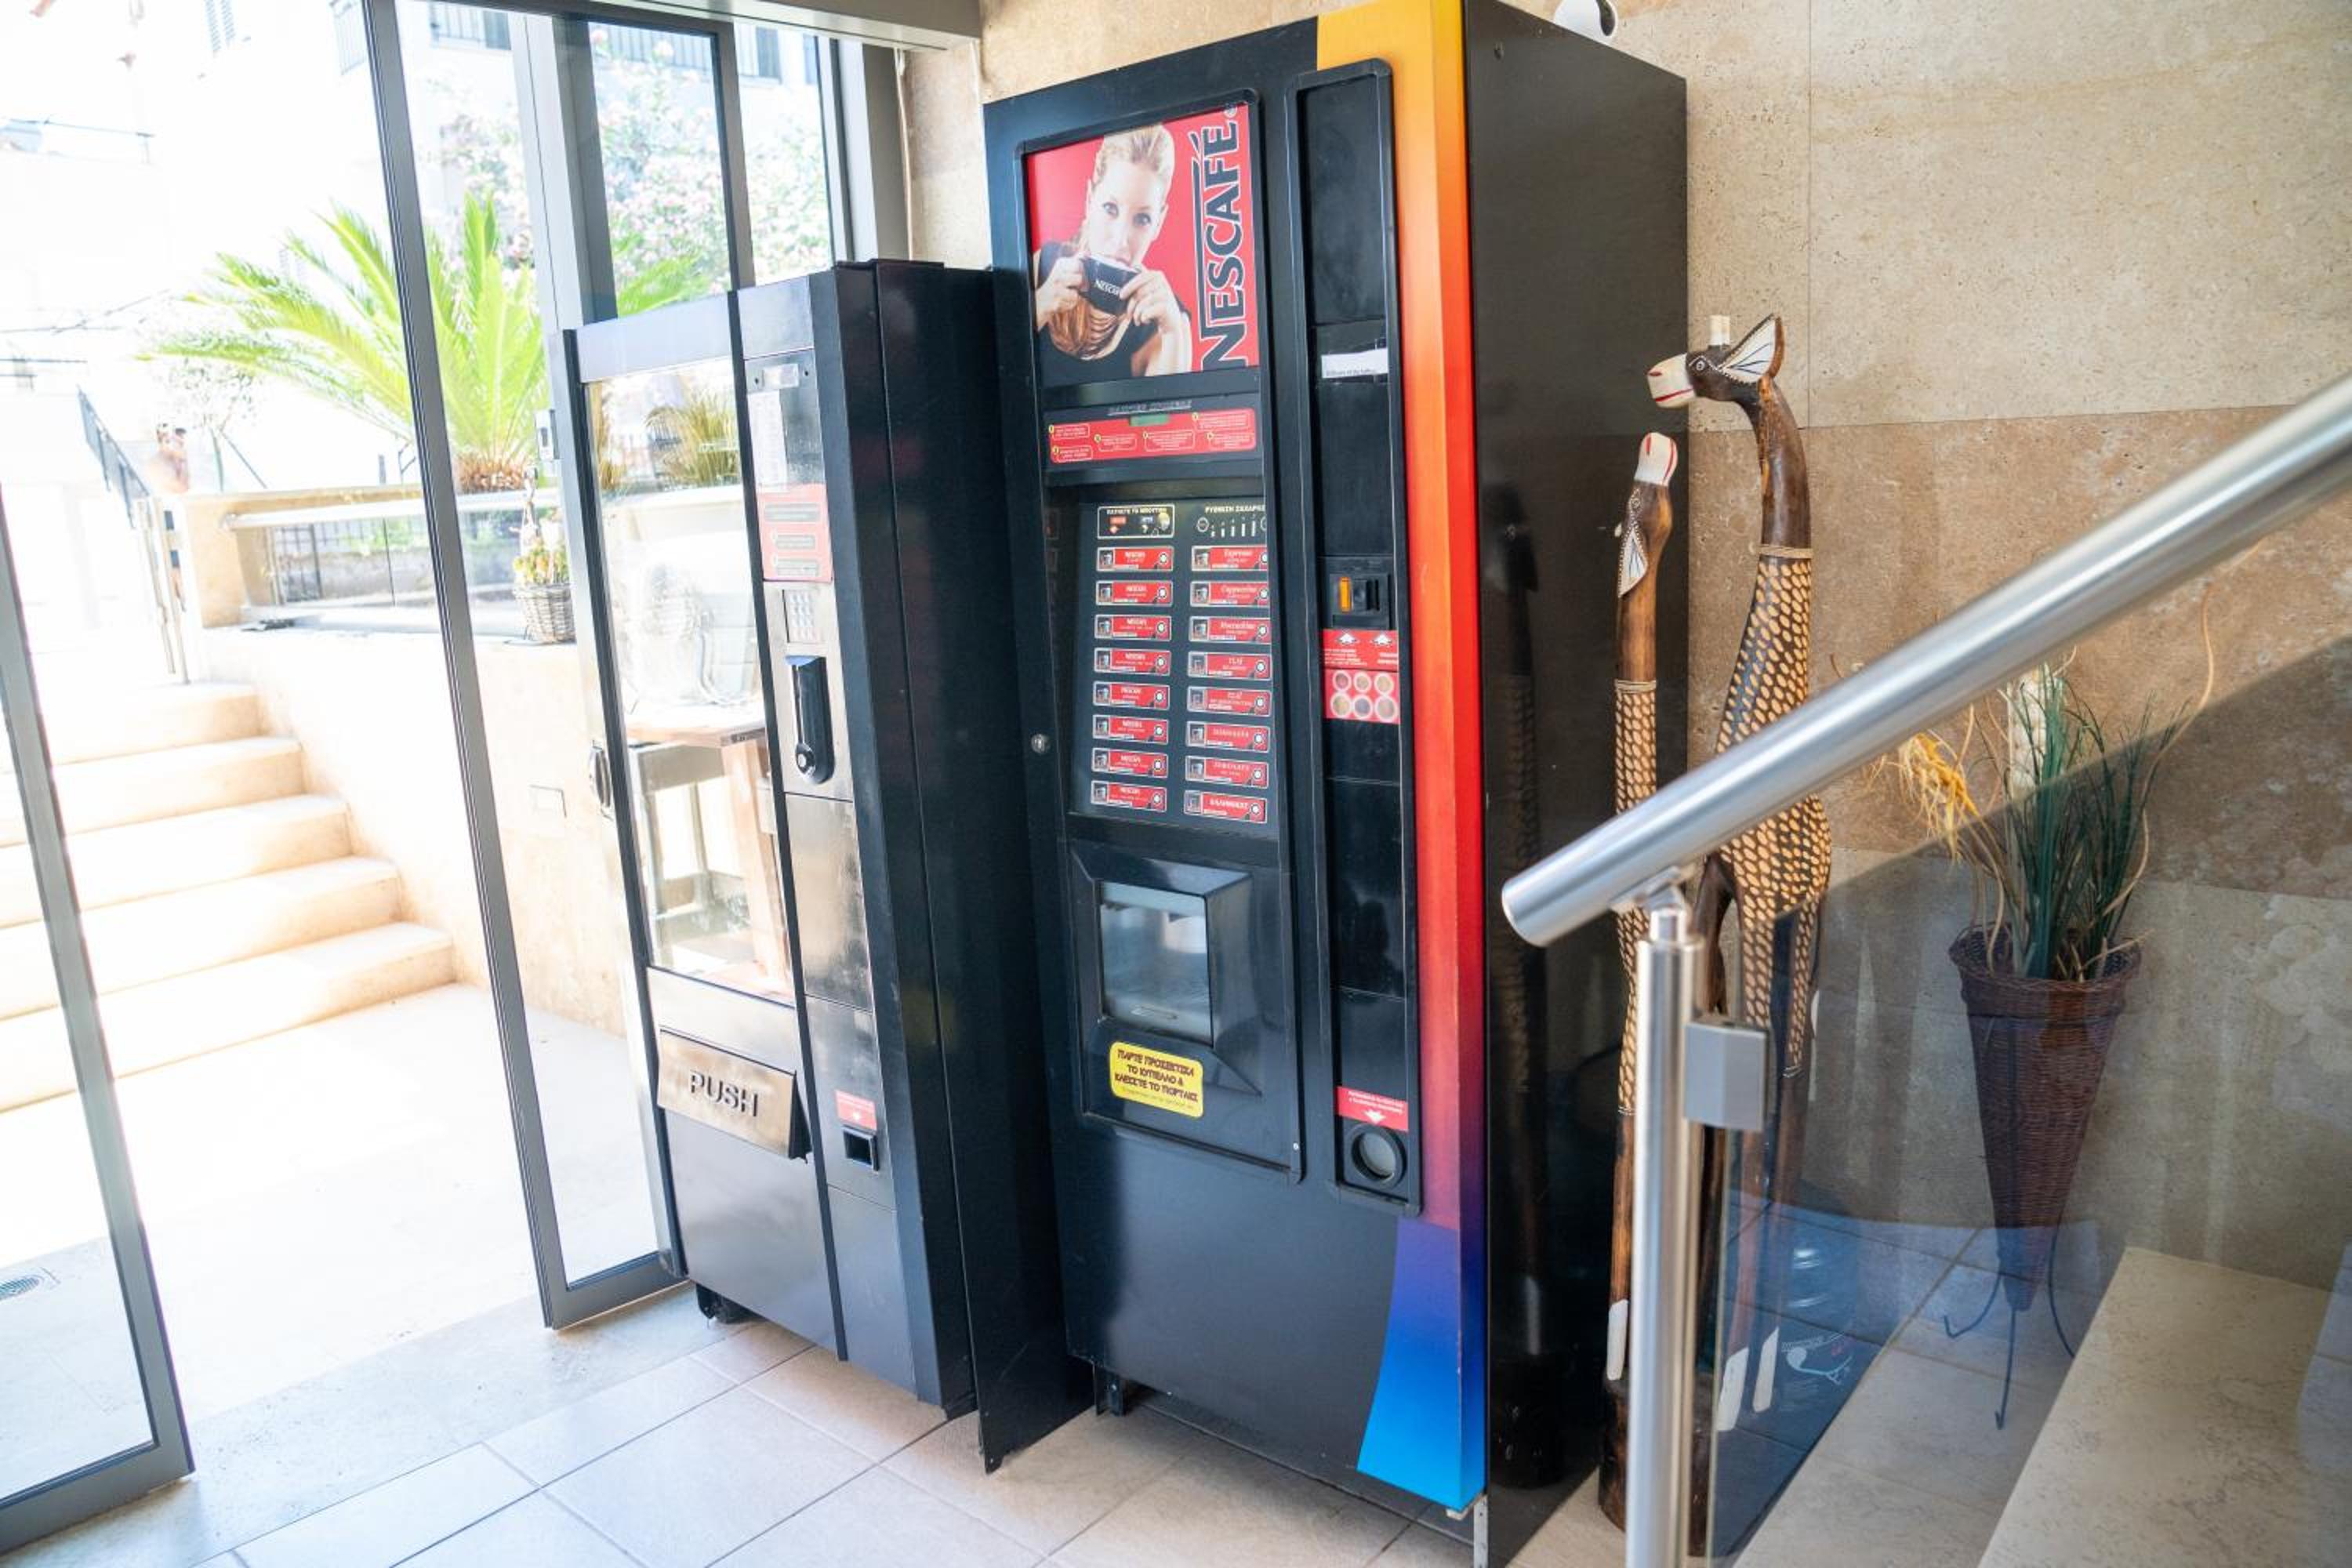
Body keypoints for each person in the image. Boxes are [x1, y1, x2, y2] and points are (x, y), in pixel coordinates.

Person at [1033, 124, 1194, 383]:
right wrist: (1038, 306)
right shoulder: (1042, 266)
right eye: (1110, 208)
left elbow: (1172, 410)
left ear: (1159, 223)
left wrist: (1173, 335)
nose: (1120, 240)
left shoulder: (1166, 320)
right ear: (1090, 200)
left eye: (1142, 219)